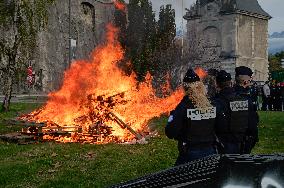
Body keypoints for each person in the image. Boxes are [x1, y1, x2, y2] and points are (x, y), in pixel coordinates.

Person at [165, 69, 217, 166]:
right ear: (200, 86)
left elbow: (170, 132)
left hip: (190, 154)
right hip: (210, 151)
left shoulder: (183, 107)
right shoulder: (211, 105)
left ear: (184, 88)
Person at [214, 70, 253, 154]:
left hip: (223, 144)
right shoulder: (244, 99)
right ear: (231, 82)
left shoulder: (215, 102)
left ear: (217, 84)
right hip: (242, 142)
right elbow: (252, 124)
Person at [234, 66, 259, 154]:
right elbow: (251, 122)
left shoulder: (232, 94)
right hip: (244, 137)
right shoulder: (245, 98)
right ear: (245, 81)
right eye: (250, 79)